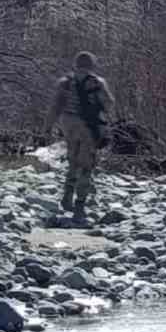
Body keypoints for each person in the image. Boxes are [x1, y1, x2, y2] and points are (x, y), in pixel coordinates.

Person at [45, 51, 114, 220]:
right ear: (92, 65)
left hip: (68, 125)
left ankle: (67, 196)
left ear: (76, 64)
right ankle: (80, 204)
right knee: (86, 164)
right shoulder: (97, 83)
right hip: (88, 127)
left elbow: (55, 107)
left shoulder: (65, 83)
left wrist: (47, 127)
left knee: (72, 160)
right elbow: (109, 104)